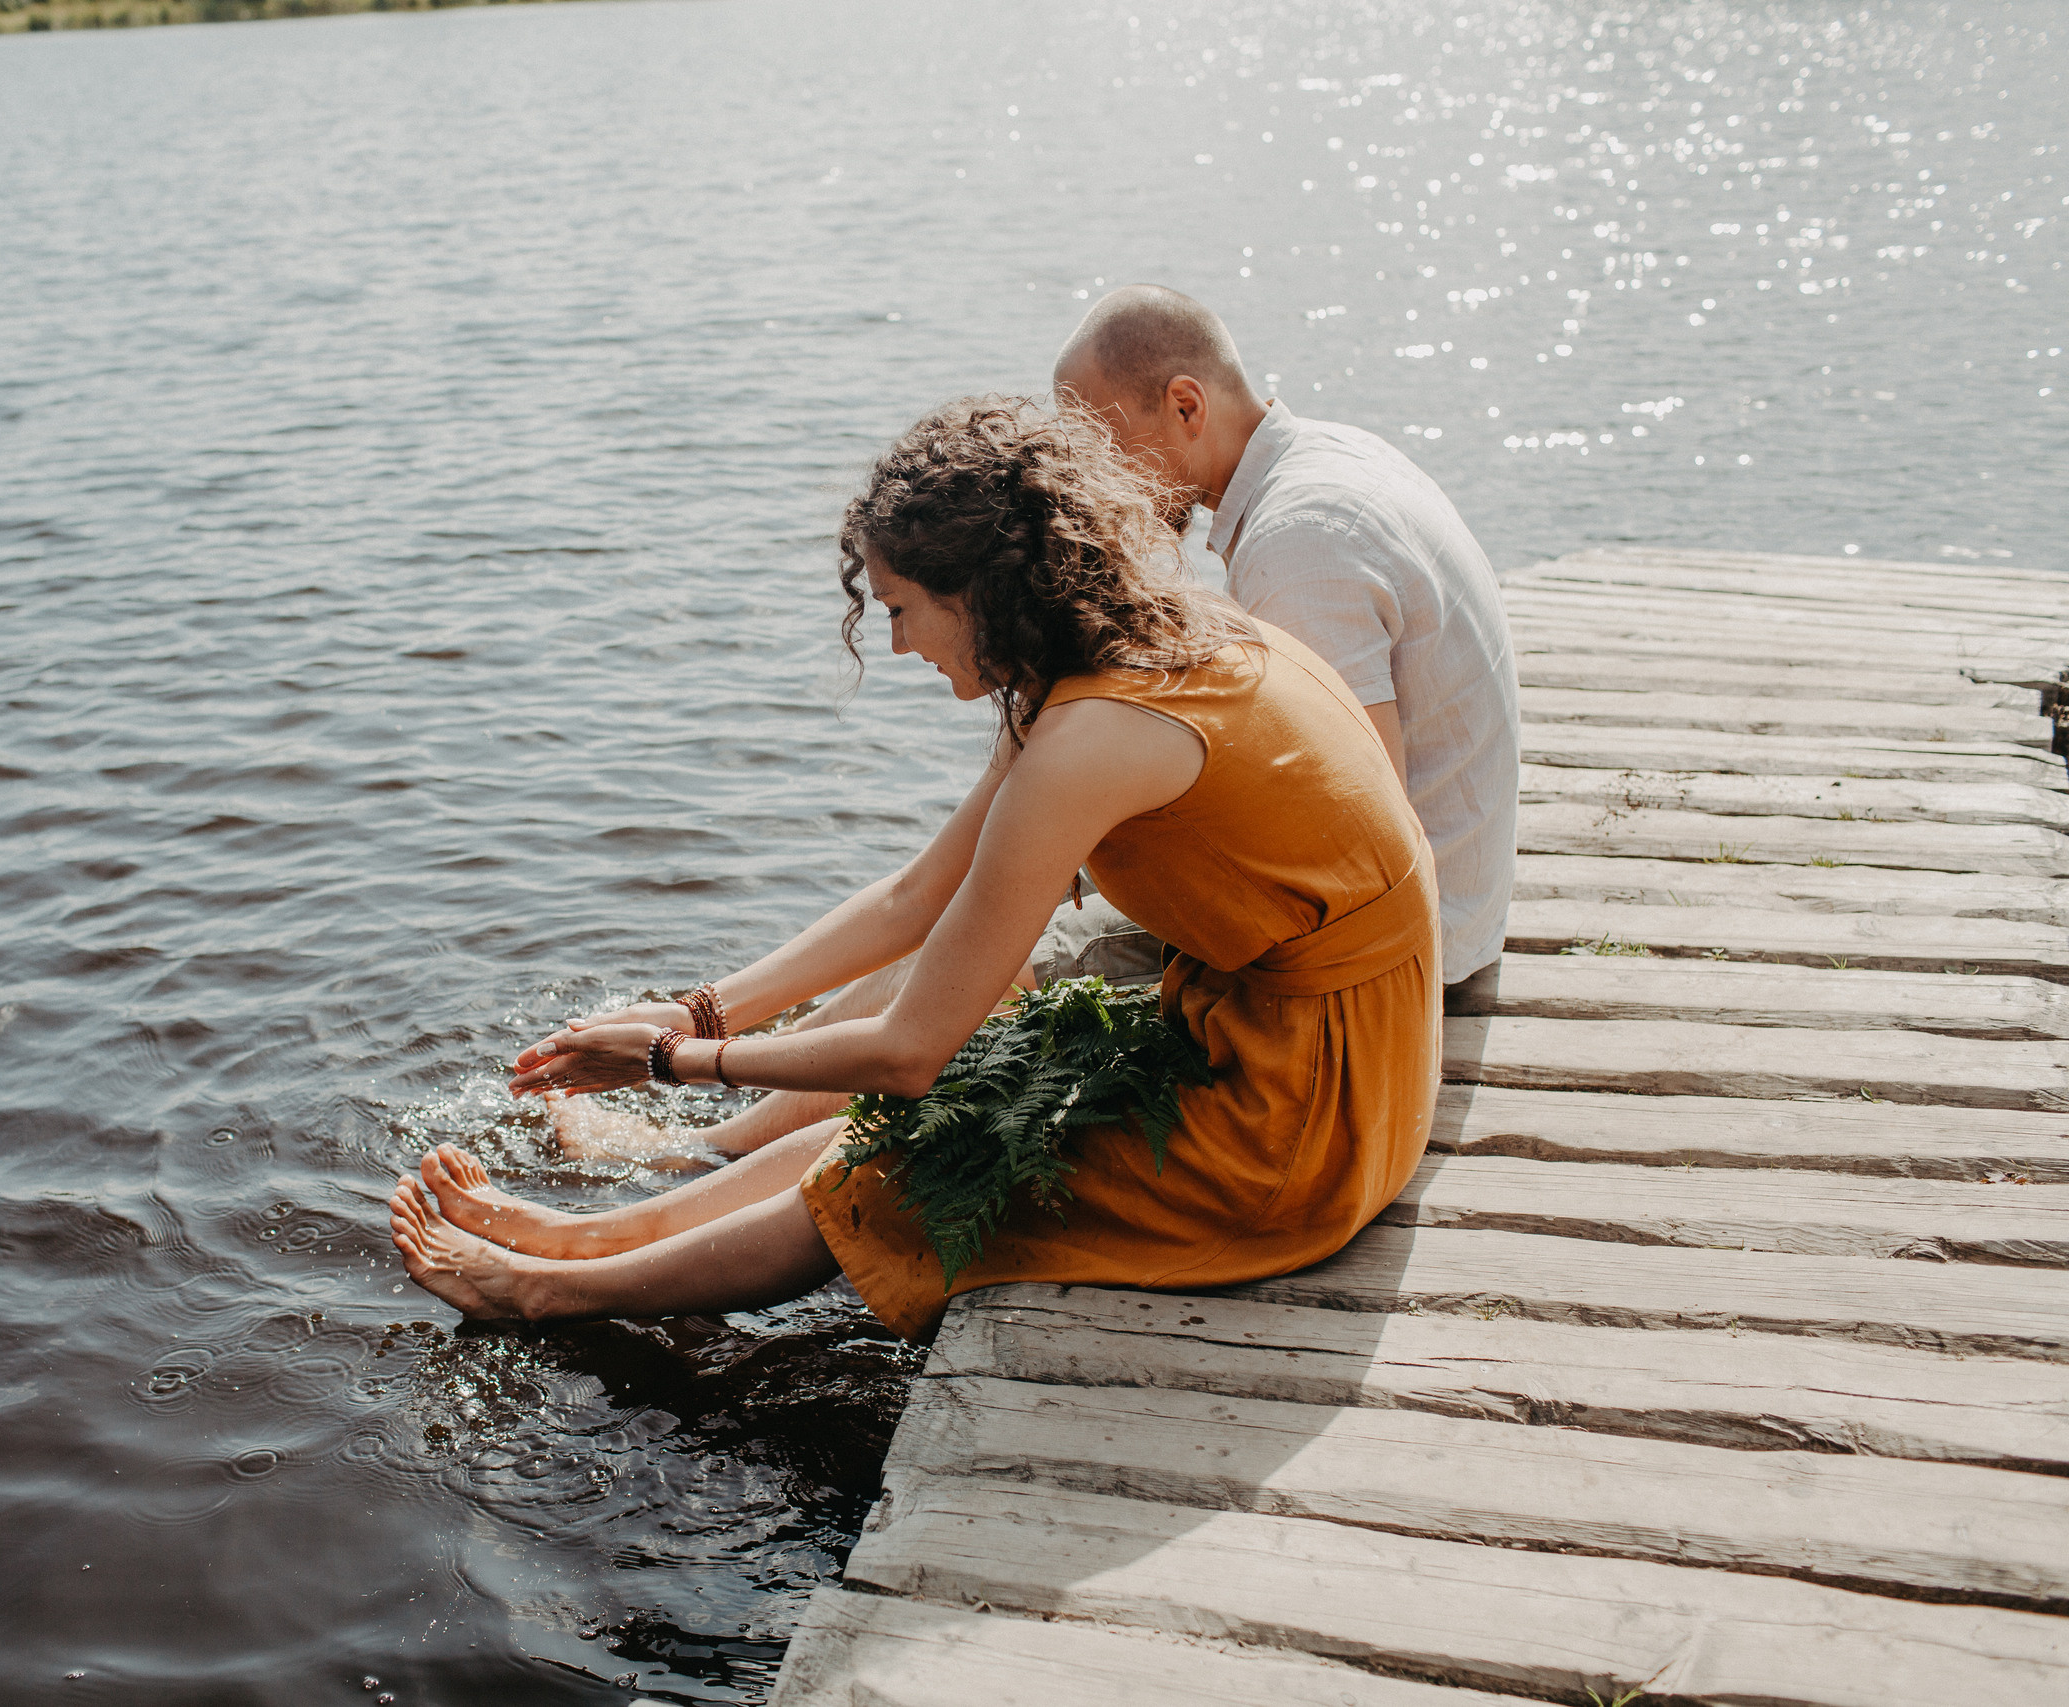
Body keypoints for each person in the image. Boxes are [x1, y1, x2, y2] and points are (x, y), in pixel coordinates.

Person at [387, 397, 1441, 1339]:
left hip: (1302, 1123)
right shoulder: (1133, 648)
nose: (894, 647)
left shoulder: (1089, 737)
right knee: (943, 1085)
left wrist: (668, 1063)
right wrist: (700, 1014)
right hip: (1332, 1046)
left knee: (904, 1161)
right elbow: (916, 896)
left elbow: (903, 1055)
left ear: (982, 594)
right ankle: (591, 1235)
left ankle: (543, 1291)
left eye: (899, 610)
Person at [1051, 283, 1519, 1000]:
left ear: (1186, 405)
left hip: (1404, 959)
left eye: (1104, 448)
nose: (1094, 484)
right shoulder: (1331, 458)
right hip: (1460, 904)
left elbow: (1362, 830)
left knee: (1013, 950)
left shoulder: (1299, 542)